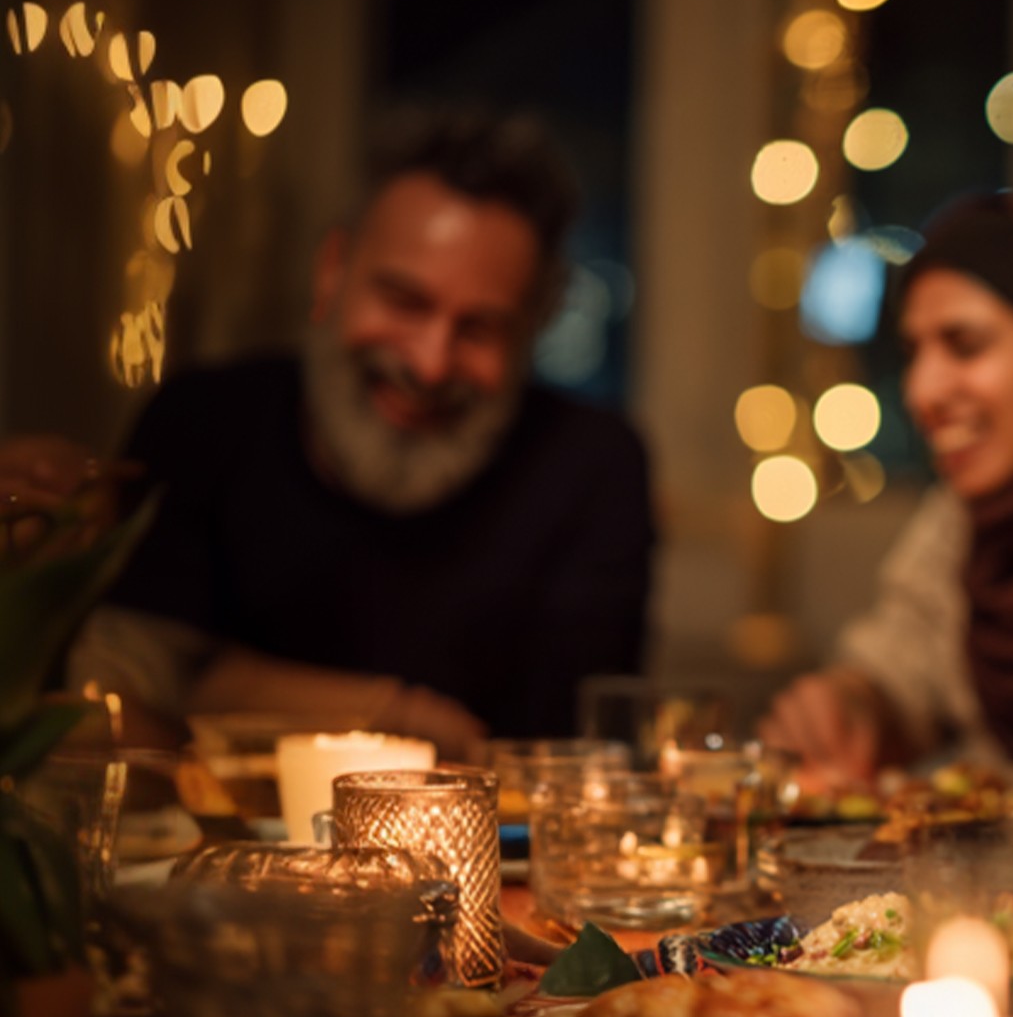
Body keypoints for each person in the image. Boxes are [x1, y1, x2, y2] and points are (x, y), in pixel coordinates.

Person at [68, 110, 656, 761]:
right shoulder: (202, 419)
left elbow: (559, 762)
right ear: (332, 272)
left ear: (533, 331)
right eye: (405, 301)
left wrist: (226, 688)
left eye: (481, 329)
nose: (430, 364)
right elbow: (118, 700)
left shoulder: (594, 467)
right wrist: (397, 715)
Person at [758, 195, 1013, 802]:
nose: (921, 392)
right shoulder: (963, 525)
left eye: (964, 345)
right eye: (914, 354)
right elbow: (899, 664)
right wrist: (853, 705)